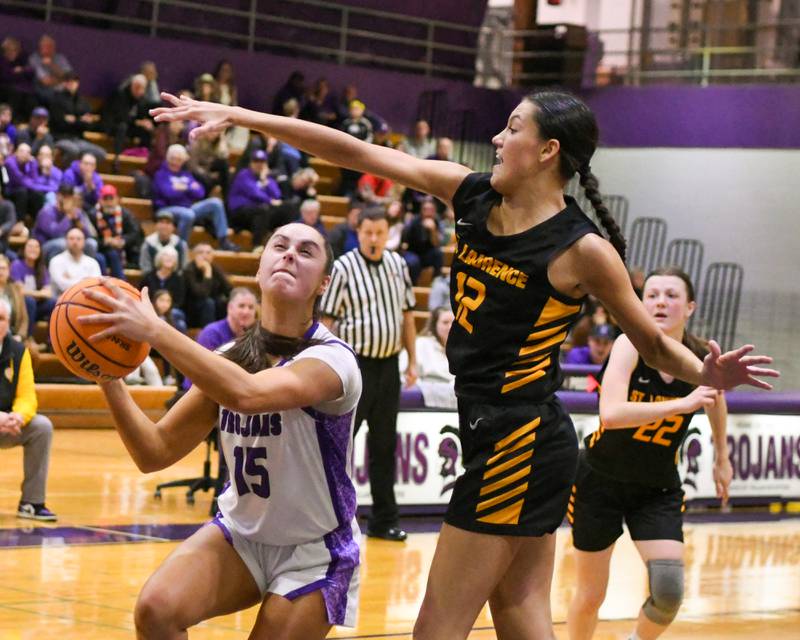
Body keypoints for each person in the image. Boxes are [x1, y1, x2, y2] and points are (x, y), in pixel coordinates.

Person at [150, 89, 778, 638]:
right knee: (521, 614)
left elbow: (654, 344)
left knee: (437, 628)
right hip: (504, 433)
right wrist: (244, 116)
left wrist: (707, 373)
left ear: (548, 151)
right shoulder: (471, 193)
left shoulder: (581, 248)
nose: (498, 139)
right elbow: (359, 153)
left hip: (519, 440)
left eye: (512, 129)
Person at [79, 222, 362, 638]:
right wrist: (108, 375)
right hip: (240, 535)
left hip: (315, 550)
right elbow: (154, 451)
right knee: (156, 611)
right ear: (260, 268)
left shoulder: (334, 360)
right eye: (279, 246)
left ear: (324, 283)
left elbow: (247, 393)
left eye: (305, 251)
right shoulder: (229, 356)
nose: (289, 254)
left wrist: (155, 330)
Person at [567, 267, 733, 640]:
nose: (660, 302)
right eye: (652, 295)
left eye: (671, 296)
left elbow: (716, 398)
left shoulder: (700, 357)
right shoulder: (629, 345)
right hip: (599, 481)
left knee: (669, 591)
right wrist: (682, 404)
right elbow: (611, 415)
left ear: (690, 307)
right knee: (591, 595)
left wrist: (722, 457)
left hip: (656, 487)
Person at [320, 207, 417, 541]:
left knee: (385, 445)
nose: (374, 239)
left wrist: (413, 360)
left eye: (380, 232)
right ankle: (331, 517)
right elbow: (327, 321)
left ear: (389, 233)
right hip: (355, 367)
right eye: (368, 233)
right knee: (341, 443)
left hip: (389, 366)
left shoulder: (398, 265)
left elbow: (407, 316)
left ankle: (384, 520)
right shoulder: (343, 267)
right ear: (357, 232)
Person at [0, 299, 56, 521]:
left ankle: (31, 502)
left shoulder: (18, 352)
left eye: (1, 318)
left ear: (8, 323)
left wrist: (18, 417)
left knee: (41, 426)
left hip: (8, 425)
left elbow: (27, 395)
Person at [152, 143, 237, 250]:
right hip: (166, 209)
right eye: (173, 159)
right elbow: (168, 194)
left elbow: (200, 192)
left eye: (179, 160)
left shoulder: (186, 174)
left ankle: (223, 240)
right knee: (188, 214)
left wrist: (183, 188)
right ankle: (181, 247)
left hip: (188, 207)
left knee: (216, 203)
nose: (175, 162)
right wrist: (188, 188)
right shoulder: (161, 174)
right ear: (168, 159)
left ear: (183, 161)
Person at [400, 306, 456, 410]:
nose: (450, 327)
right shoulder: (420, 344)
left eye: (453, 323)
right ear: (435, 325)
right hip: (423, 392)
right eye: (445, 323)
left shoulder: (464, 348)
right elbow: (404, 375)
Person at [33, 182, 99, 263]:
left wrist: (77, 221)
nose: (66, 200)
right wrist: (68, 216)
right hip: (44, 246)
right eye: (64, 196)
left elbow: (87, 235)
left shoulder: (76, 211)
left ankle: (83, 269)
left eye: (69, 197)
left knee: (91, 243)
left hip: (70, 243)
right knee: (62, 243)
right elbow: (55, 234)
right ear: (58, 196)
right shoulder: (47, 212)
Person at [90, 184, 143, 278]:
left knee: (114, 254)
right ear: (100, 200)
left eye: (111, 198)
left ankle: (120, 282)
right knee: (103, 257)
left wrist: (123, 241)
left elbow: (135, 232)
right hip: (100, 249)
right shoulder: (93, 215)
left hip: (122, 250)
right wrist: (105, 242)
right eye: (105, 199)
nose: (109, 202)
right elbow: (90, 236)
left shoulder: (125, 214)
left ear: (117, 199)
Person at [183, 242, 232, 328]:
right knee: (208, 303)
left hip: (213, 309)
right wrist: (207, 272)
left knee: (225, 302)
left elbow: (229, 289)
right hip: (192, 312)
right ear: (194, 256)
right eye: (201, 252)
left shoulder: (215, 269)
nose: (205, 255)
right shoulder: (189, 270)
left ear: (212, 256)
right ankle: (209, 332)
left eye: (208, 253)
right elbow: (201, 294)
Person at [12, 237, 55, 326]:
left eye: (36, 247)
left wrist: (32, 293)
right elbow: (20, 292)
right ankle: (28, 334)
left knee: (53, 302)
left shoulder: (42, 268)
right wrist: (39, 293)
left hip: (36, 305)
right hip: (20, 306)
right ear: (24, 249)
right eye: (30, 246)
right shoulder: (16, 265)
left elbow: (48, 293)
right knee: (30, 301)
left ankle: (51, 334)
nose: (33, 249)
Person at [48, 227, 101, 297]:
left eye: (78, 239)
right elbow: (62, 286)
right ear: (66, 241)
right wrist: (85, 281)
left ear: (84, 242)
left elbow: (96, 285)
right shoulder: (56, 261)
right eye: (71, 238)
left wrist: (71, 280)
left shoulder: (92, 262)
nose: (75, 242)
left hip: (87, 300)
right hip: (63, 300)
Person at [139, 245, 186, 313]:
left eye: (172, 257)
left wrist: (165, 308)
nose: (169, 258)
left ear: (176, 261)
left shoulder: (178, 279)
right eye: (166, 255)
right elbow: (142, 294)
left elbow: (179, 301)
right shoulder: (149, 277)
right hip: (150, 309)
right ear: (159, 258)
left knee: (177, 313)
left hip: (170, 311)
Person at [28, 34, 73, 106]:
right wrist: (63, 79)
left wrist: (51, 64)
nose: (43, 49)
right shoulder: (34, 58)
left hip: (62, 91)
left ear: (53, 48)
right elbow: (46, 82)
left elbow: (70, 76)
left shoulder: (60, 58)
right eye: (42, 47)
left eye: (48, 46)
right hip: (45, 91)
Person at [0, 254, 29, 339]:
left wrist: (20, 336)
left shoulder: (16, 290)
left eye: (3, 268)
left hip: (11, 337)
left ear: (9, 271)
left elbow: (24, 319)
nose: (0, 271)